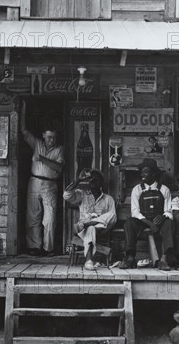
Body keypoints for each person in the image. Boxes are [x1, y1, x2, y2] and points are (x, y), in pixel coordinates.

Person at [21, 100, 65, 256]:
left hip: (50, 184)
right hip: (34, 182)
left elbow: (59, 167)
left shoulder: (60, 149)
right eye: (48, 137)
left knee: (50, 218)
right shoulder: (37, 143)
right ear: (43, 136)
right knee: (33, 216)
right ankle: (35, 247)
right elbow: (24, 131)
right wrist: (23, 108)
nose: (50, 140)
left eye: (53, 137)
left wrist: (42, 159)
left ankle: (49, 248)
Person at [120, 159, 175, 270]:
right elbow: (135, 212)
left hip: (158, 222)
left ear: (153, 174)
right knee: (129, 222)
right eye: (141, 172)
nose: (142, 174)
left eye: (145, 172)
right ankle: (130, 258)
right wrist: (148, 222)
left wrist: (163, 216)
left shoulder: (164, 190)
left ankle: (163, 259)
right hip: (143, 222)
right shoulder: (137, 189)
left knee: (169, 223)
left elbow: (169, 211)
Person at [64, 169, 116, 270]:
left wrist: (93, 223)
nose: (92, 181)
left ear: (101, 182)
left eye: (96, 179)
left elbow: (113, 218)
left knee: (112, 214)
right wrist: (78, 180)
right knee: (91, 228)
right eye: (90, 179)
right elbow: (66, 195)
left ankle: (88, 224)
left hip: (101, 229)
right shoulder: (82, 195)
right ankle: (88, 261)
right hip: (83, 230)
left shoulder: (108, 199)